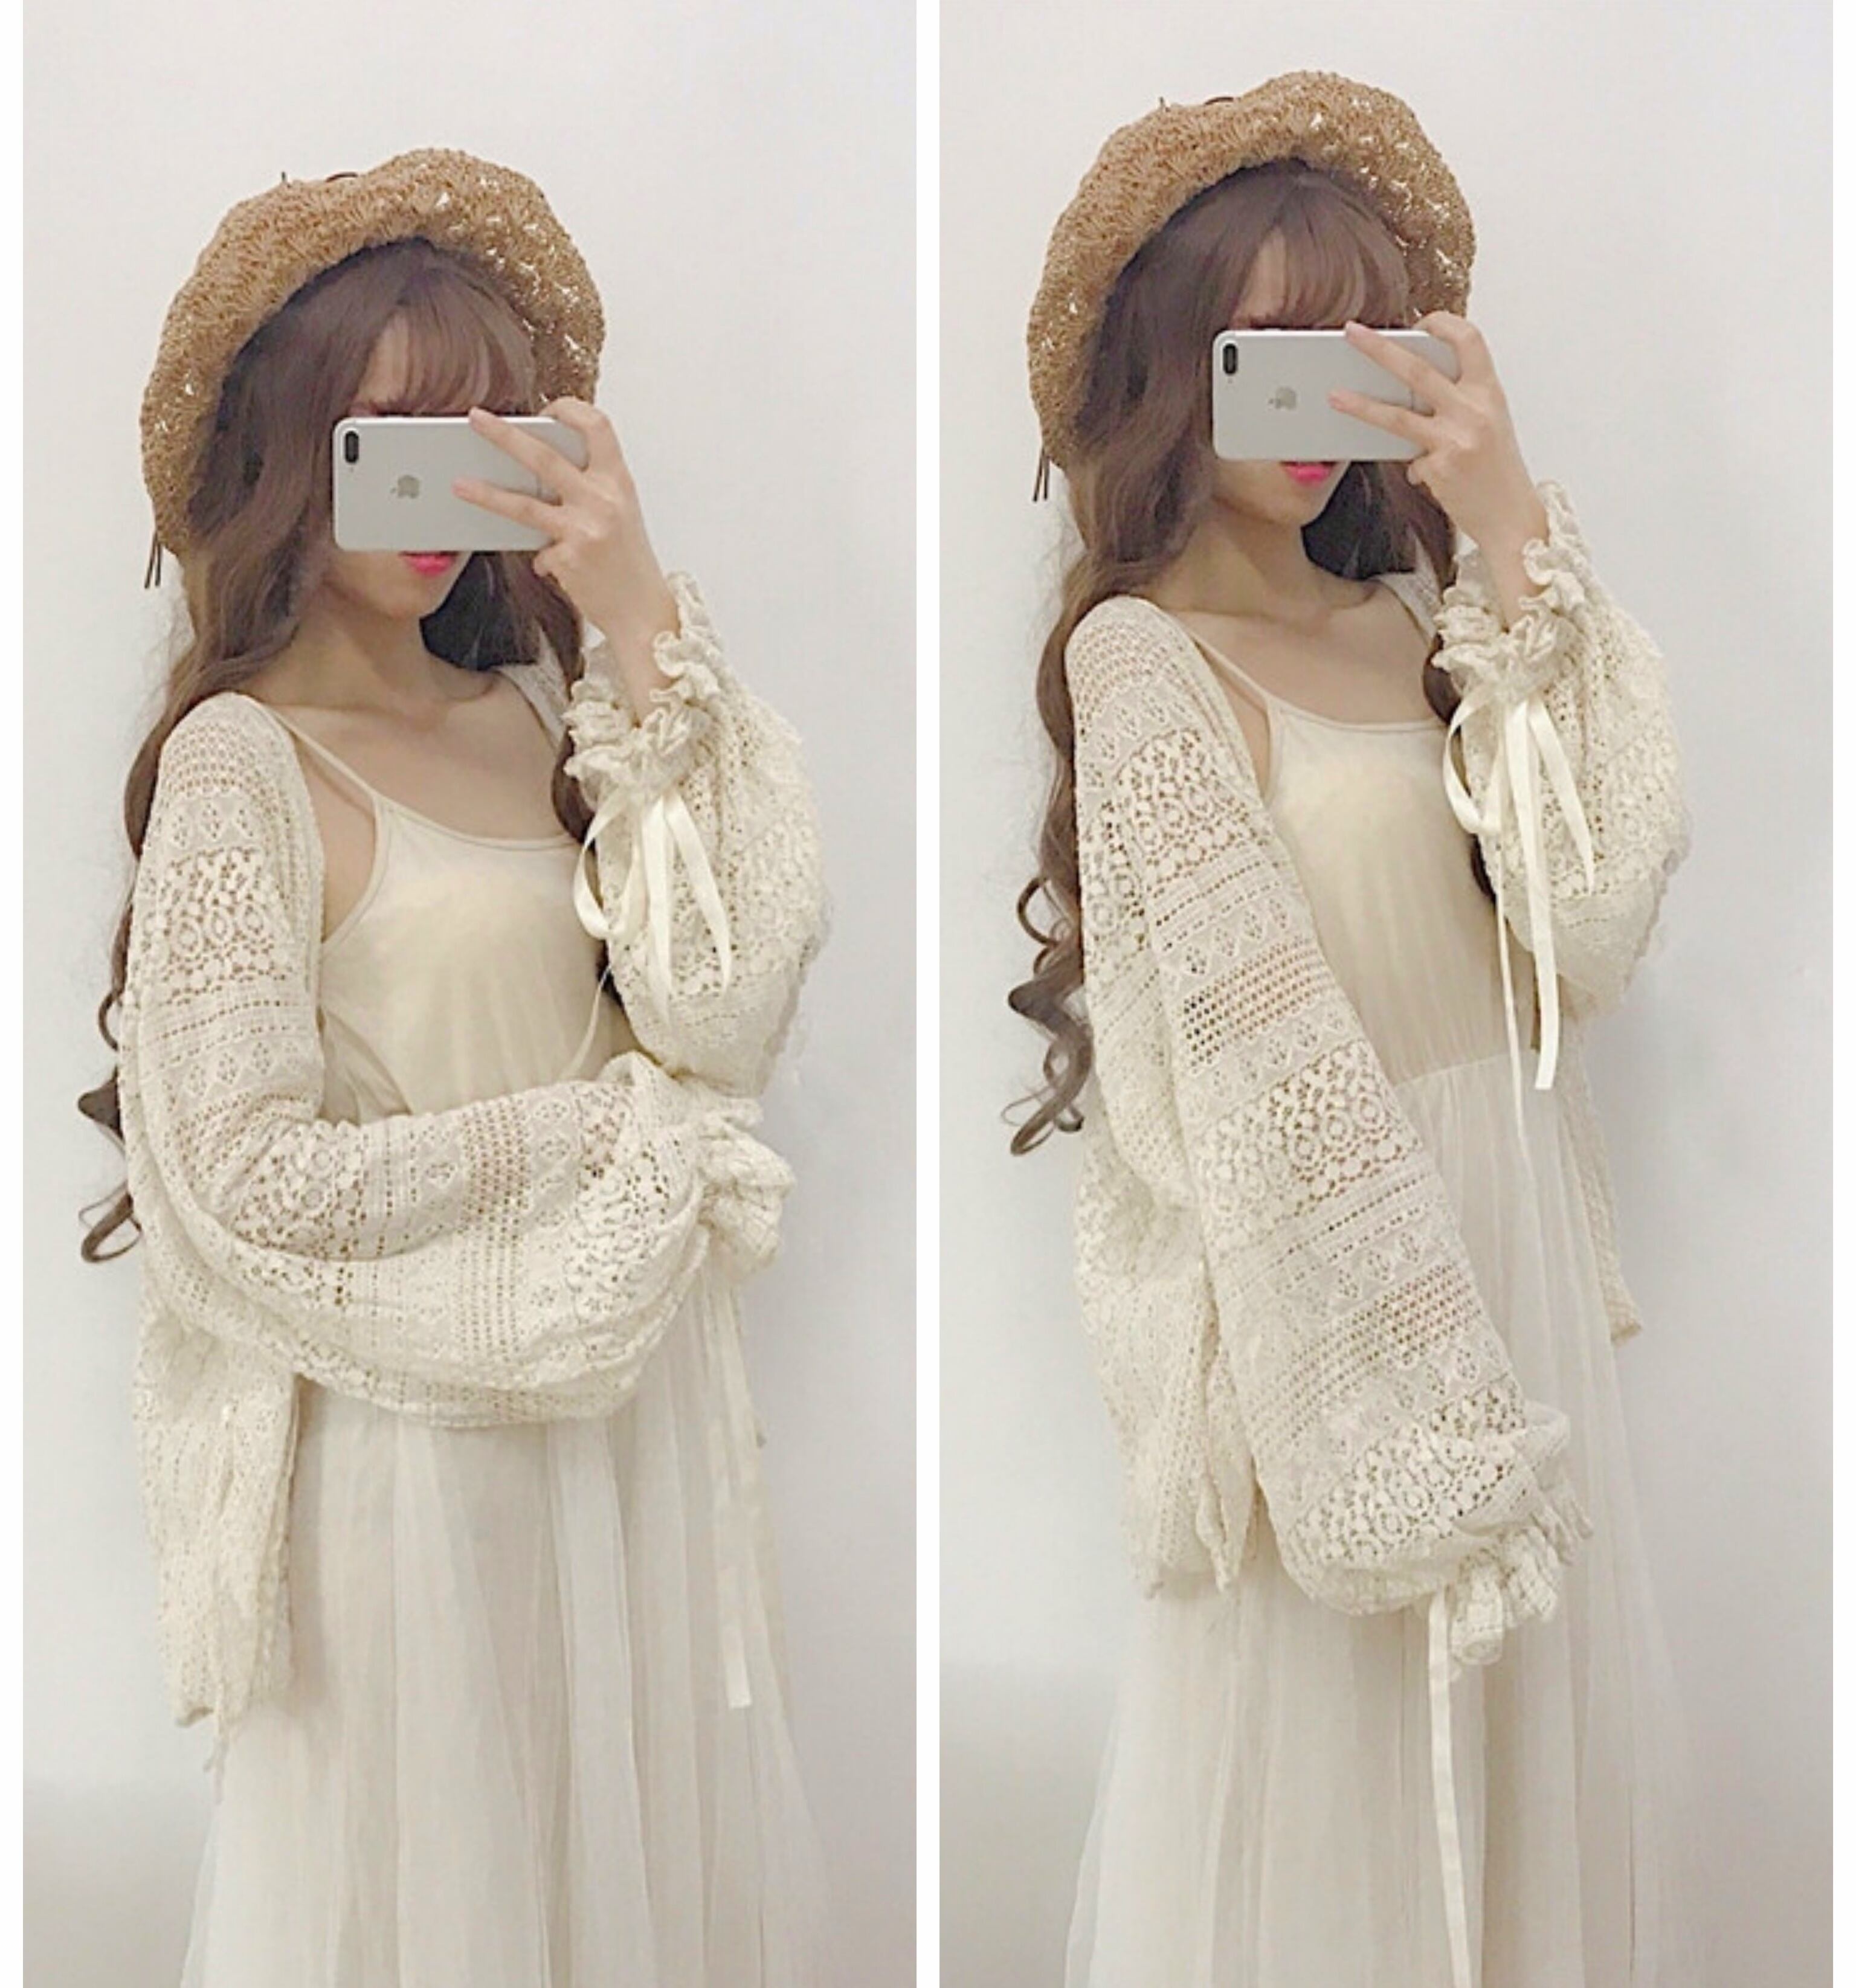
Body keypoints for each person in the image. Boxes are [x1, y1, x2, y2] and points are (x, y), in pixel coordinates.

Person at [77, 149, 830, 1986]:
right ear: (288, 458)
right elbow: (235, 1180)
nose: (440, 490)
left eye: (481, 435)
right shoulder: (246, 765)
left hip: (625, 1438)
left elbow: (724, 1015)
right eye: (386, 443)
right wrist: (605, 1145)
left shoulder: (552, 719)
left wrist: (639, 616)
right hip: (406, 1479)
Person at [1010, 73, 1702, 1987]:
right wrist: (1414, 1410)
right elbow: (1260, 1090)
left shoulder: (1425, 619)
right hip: (1329, 1305)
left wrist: (1510, 532)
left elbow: (1593, 920)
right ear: (1181, 370)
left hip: (1509, 1249)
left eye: (1361, 345)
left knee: (1515, 1823)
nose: (1321, 399)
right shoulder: (1142, 660)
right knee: (1341, 1834)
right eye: (1270, 354)